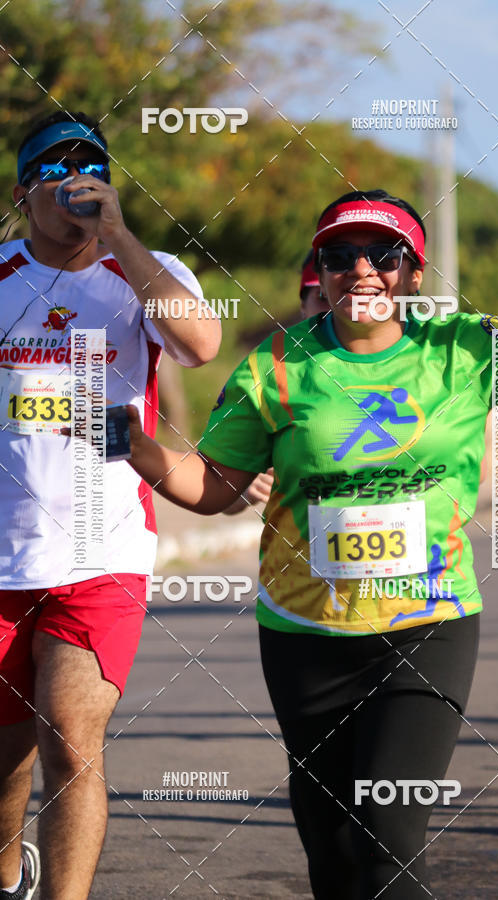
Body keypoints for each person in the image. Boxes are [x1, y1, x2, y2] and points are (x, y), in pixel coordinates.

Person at [122, 137, 498, 898]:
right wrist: (138, 446)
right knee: (332, 846)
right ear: (322, 271)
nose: (363, 270)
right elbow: (213, 488)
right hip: (303, 632)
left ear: (414, 270)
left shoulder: (466, 349)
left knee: (387, 835)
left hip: (426, 624)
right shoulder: (276, 363)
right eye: (341, 256)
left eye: (384, 254)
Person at [0, 111, 220, 900]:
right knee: (6, 758)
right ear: (23, 193)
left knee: (70, 735)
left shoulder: (149, 271)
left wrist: (120, 237)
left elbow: (200, 344)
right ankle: (9, 873)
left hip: (103, 547)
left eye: (89, 167)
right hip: (4, 552)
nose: (75, 182)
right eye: (54, 169)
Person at [223, 250, 329, 515]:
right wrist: (244, 489)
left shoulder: (410, 367)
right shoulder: (270, 376)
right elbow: (222, 497)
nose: (333, 309)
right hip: (297, 541)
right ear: (303, 306)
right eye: (322, 298)